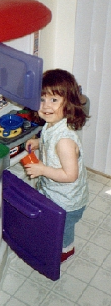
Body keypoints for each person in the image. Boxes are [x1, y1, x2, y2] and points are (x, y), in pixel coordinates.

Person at [24, 69, 89, 263]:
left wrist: (42, 169)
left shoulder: (65, 142)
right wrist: (38, 143)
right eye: (42, 99)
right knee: (51, 222)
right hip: (54, 192)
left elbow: (70, 175)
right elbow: (47, 137)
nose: (46, 106)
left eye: (53, 100)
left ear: (67, 104)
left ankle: (65, 250)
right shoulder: (51, 124)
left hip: (68, 202)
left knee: (63, 229)